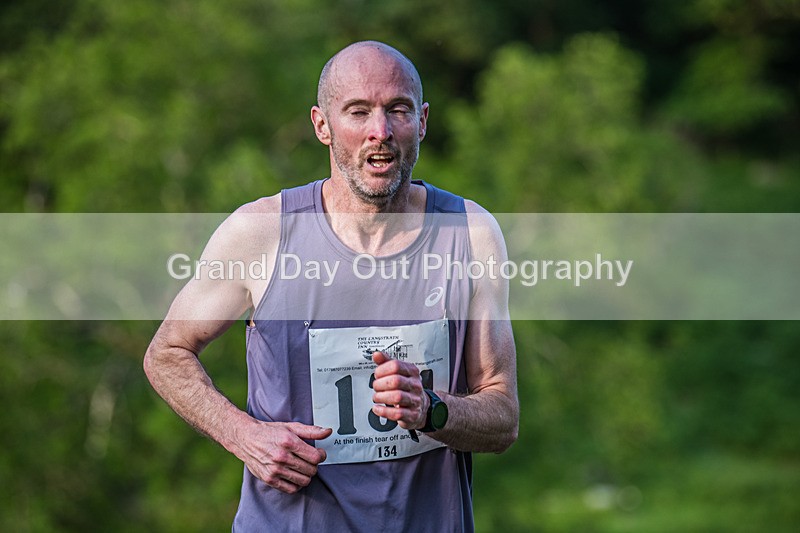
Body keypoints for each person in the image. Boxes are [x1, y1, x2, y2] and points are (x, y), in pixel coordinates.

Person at [144, 40, 518, 532]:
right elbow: (167, 353)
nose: (379, 132)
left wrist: (432, 409)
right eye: (358, 112)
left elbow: (503, 416)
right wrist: (245, 436)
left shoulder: (470, 232)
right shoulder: (261, 232)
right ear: (322, 124)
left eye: (397, 110)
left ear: (423, 121)